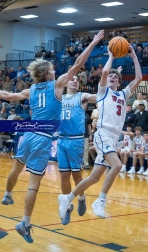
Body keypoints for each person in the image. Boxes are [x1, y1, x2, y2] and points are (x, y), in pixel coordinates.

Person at [0, 29, 104, 243]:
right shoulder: (56, 86)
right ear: (47, 73)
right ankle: (25, 223)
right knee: (33, 184)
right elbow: (78, 64)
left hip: (28, 133)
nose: (55, 70)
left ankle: (8, 196)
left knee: (17, 167)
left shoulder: (33, 88)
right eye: (52, 68)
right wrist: (93, 43)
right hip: (41, 138)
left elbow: (8, 95)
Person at [58, 44, 142, 221]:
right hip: (102, 134)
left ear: (119, 82)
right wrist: (111, 56)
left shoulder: (124, 94)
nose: (111, 77)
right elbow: (104, 73)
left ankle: (68, 198)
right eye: (110, 76)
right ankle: (100, 200)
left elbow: (139, 78)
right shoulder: (103, 92)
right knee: (117, 166)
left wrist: (134, 57)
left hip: (113, 139)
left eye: (114, 77)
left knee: (94, 177)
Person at [57, 31, 104, 225]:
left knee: (77, 176)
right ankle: (67, 206)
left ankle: (82, 198)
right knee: (63, 177)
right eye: (72, 79)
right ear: (66, 82)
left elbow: (100, 95)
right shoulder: (59, 96)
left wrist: (106, 80)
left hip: (76, 141)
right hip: (61, 140)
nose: (75, 80)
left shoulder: (82, 97)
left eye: (77, 79)